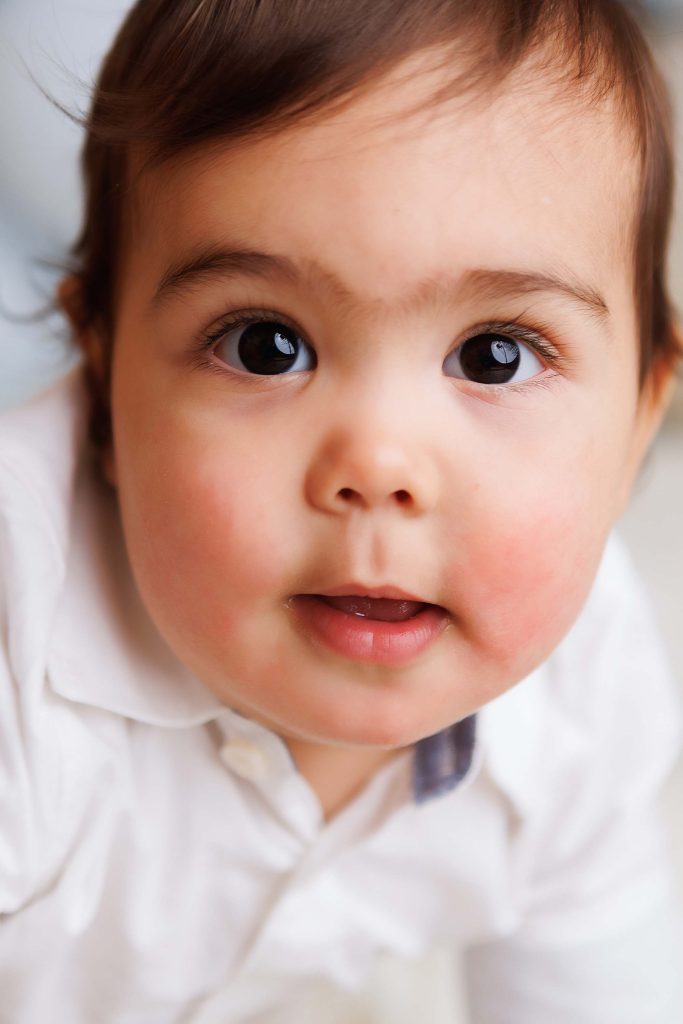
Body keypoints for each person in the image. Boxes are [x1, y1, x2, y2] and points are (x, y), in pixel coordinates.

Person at [0, 0, 681, 1020]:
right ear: (102, 385)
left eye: (493, 354)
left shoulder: (589, 696)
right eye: (264, 345)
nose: (378, 466)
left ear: (639, 416)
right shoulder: (22, 659)